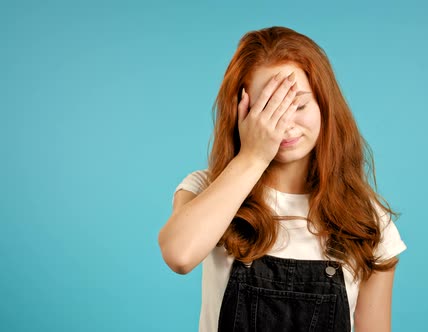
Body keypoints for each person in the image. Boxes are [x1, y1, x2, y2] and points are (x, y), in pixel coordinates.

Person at [158, 26, 407, 332]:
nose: (284, 125)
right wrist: (254, 156)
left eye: (299, 105)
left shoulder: (369, 221)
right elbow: (179, 255)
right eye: (267, 110)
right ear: (240, 112)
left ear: (325, 106)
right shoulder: (206, 188)